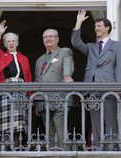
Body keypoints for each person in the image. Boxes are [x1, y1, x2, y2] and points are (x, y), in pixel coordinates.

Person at [71, 10, 121, 149]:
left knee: (111, 120)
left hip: (108, 87)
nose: (96, 29)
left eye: (99, 26)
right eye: (95, 27)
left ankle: (114, 147)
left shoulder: (117, 46)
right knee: (95, 121)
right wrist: (79, 22)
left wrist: (118, 87)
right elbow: (76, 43)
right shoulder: (91, 47)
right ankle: (99, 148)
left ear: (107, 28)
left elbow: (119, 67)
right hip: (92, 88)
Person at [0, 20, 32, 147]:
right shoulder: (2, 55)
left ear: (17, 43)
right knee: (6, 123)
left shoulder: (24, 58)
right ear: (5, 43)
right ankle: (6, 148)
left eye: (13, 40)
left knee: (19, 123)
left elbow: (28, 77)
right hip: (6, 90)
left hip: (21, 90)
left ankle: (16, 146)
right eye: (8, 41)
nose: (11, 43)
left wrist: (30, 95)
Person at [35, 28, 74, 149]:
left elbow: (68, 63)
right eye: (45, 37)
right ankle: (52, 153)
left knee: (60, 126)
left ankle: (65, 154)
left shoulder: (64, 51)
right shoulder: (40, 60)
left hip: (59, 97)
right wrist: (37, 102)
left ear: (57, 39)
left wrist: (67, 76)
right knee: (49, 129)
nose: (48, 39)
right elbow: (37, 81)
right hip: (43, 99)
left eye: (51, 36)